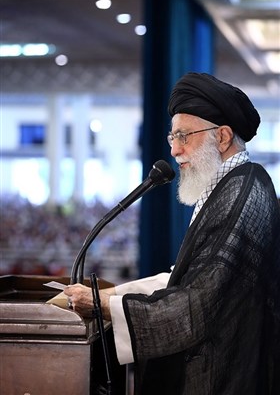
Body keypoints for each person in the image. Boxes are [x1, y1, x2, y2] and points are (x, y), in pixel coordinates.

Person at [64, 72, 280, 395]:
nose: (175, 151)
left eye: (184, 136)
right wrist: (112, 297)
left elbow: (199, 303)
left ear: (221, 137)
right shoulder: (232, 185)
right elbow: (188, 278)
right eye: (172, 138)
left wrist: (105, 306)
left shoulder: (244, 191)